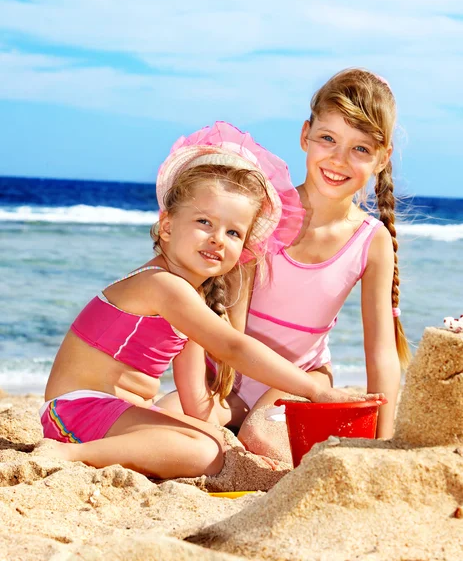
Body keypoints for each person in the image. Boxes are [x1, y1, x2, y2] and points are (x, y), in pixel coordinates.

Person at [40, 122, 382, 479]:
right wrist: (313, 389)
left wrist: (225, 444)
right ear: (168, 226)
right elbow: (233, 346)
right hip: (74, 411)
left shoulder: (190, 298)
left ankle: (95, 450)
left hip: (109, 413)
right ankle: (69, 454)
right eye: (205, 222)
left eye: (233, 232)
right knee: (204, 452)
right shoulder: (163, 286)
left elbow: (195, 403)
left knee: (206, 440)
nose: (218, 239)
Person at [158, 70, 410, 459]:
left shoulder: (371, 240)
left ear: (382, 158)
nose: (339, 160)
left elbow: (381, 353)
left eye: (360, 149)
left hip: (300, 380)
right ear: (305, 135)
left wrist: (386, 443)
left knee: (260, 439)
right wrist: (217, 399)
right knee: (164, 420)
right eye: (328, 139)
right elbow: (231, 329)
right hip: (228, 379)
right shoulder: (265, 214)